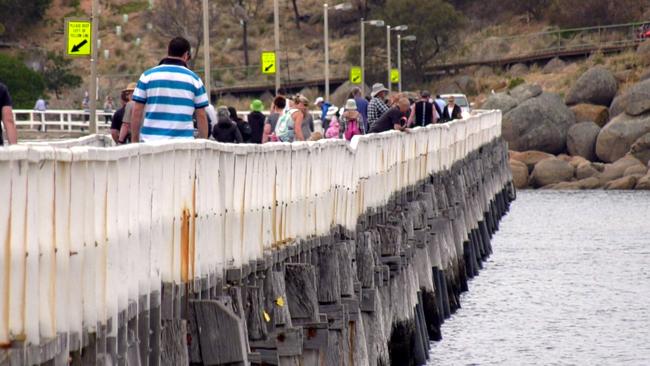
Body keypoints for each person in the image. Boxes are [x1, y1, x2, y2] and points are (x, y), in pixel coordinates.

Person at [130, 37, 209, 142]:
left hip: (151, 144)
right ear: (186, 55)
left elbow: (137, 111)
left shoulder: (147, 76)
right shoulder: (195, 80)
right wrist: (202, 142)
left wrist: (134, 141)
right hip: (183, 145)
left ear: (168, 52)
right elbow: (201, 115)